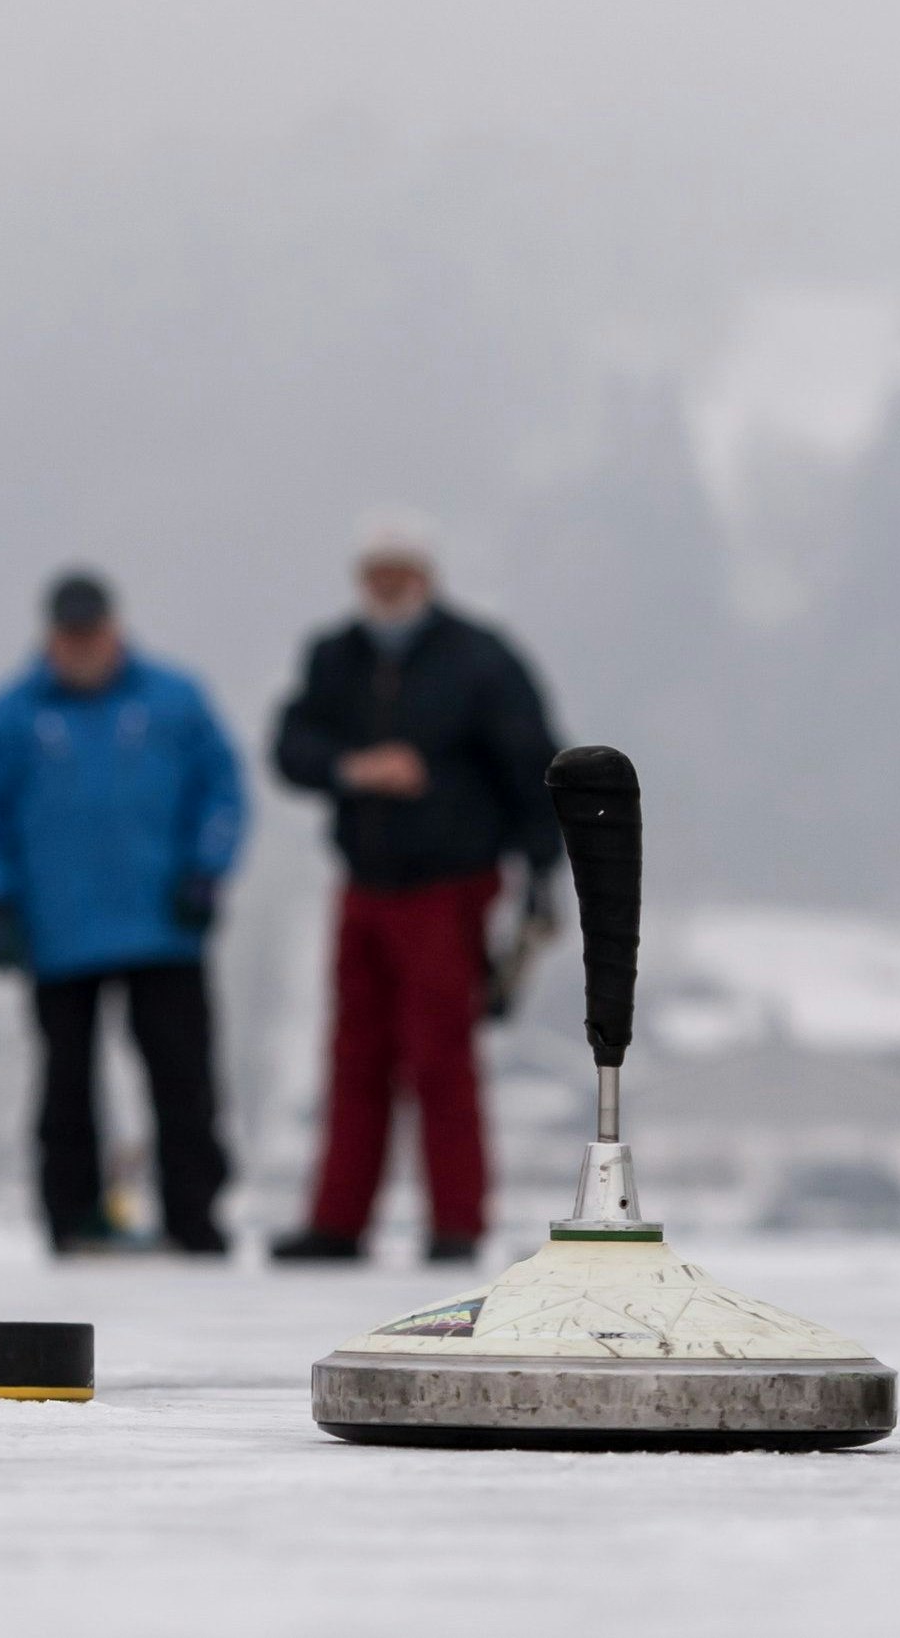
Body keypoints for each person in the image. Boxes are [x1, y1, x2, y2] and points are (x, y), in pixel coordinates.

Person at [270, 517, 561, 1264]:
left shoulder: (482, 659)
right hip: (365, 884)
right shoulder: (335, 657)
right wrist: (352, 766)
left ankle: (457, 1223)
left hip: (450, 884)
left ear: (427, 575)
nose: (387, 586)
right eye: (375, 573)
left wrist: (541, 875)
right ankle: (338, 1221)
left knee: (441, 1057)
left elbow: (534, 766)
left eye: (400, 572)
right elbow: (290, 745)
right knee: (354, 1054)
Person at [0, 571, 245, 1256]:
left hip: (163, 927)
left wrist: (207, 872)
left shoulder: (175, 699)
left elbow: (223, 791)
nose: (82, 647)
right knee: (65, 1084)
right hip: (57, 933)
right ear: (50, 635)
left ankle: (194, 1217)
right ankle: (71, 1217)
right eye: (70, 635)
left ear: (115, 629)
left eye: (93, 633)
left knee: (184, 1079)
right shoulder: (9, 715)